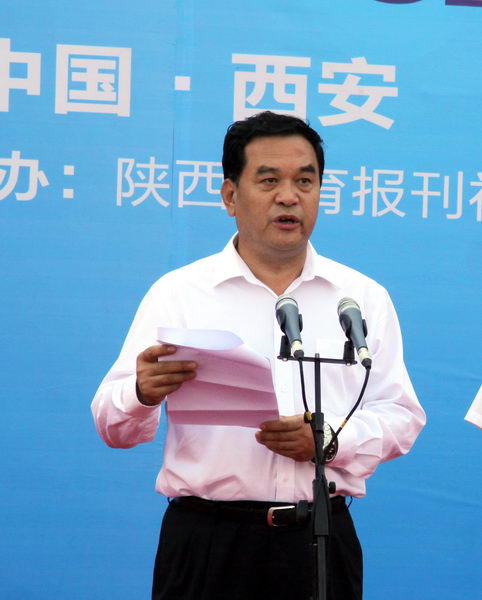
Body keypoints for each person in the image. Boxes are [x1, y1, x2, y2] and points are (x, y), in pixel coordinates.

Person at [92, 111, 426, 600]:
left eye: (305, 181)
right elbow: (112, 426)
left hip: (320, 539)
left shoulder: (361, 298)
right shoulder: (180, 293)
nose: (289, 196)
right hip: (208, 541)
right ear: (230, 196)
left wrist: (330, 440)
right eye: (269, 181)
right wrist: (140, 392)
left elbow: (401, 416)